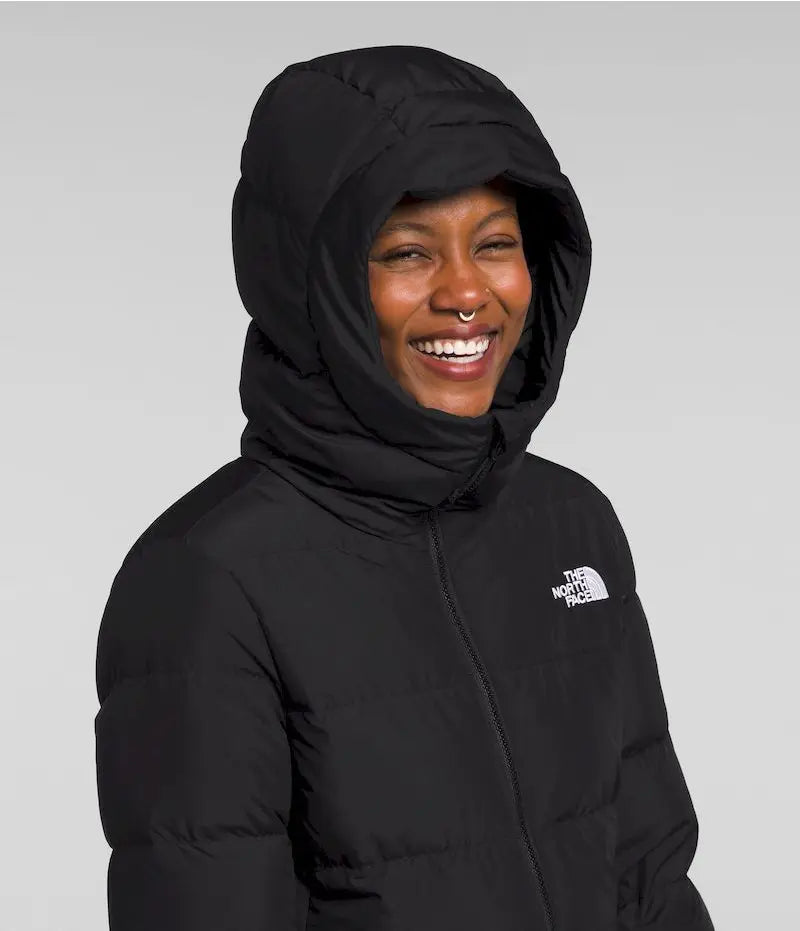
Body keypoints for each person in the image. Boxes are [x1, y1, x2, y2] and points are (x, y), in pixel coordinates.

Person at [94, 45, 715, 931]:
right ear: (313, 286)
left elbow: (649, 878)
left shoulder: (571, 525)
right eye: (408, 252)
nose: (467, 293)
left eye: (495, 244)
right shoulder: (207, 580)